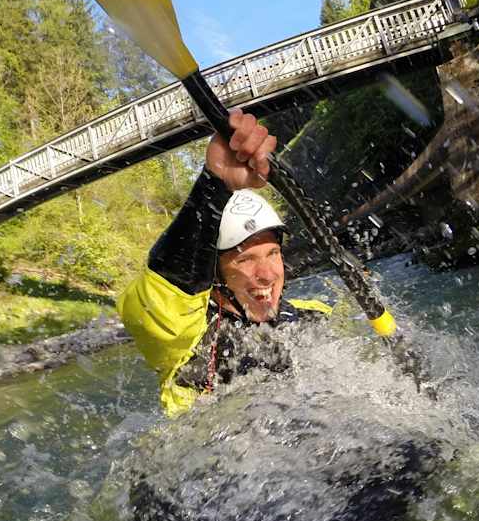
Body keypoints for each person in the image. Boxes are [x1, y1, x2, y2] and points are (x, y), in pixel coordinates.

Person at [117, 109, 332, 416]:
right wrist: (215, 184)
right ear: (214, 275)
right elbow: (163, 296)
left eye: (273, 253)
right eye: (245, 259)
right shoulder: (187, 340)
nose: (268, 274)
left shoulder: (313, 316)